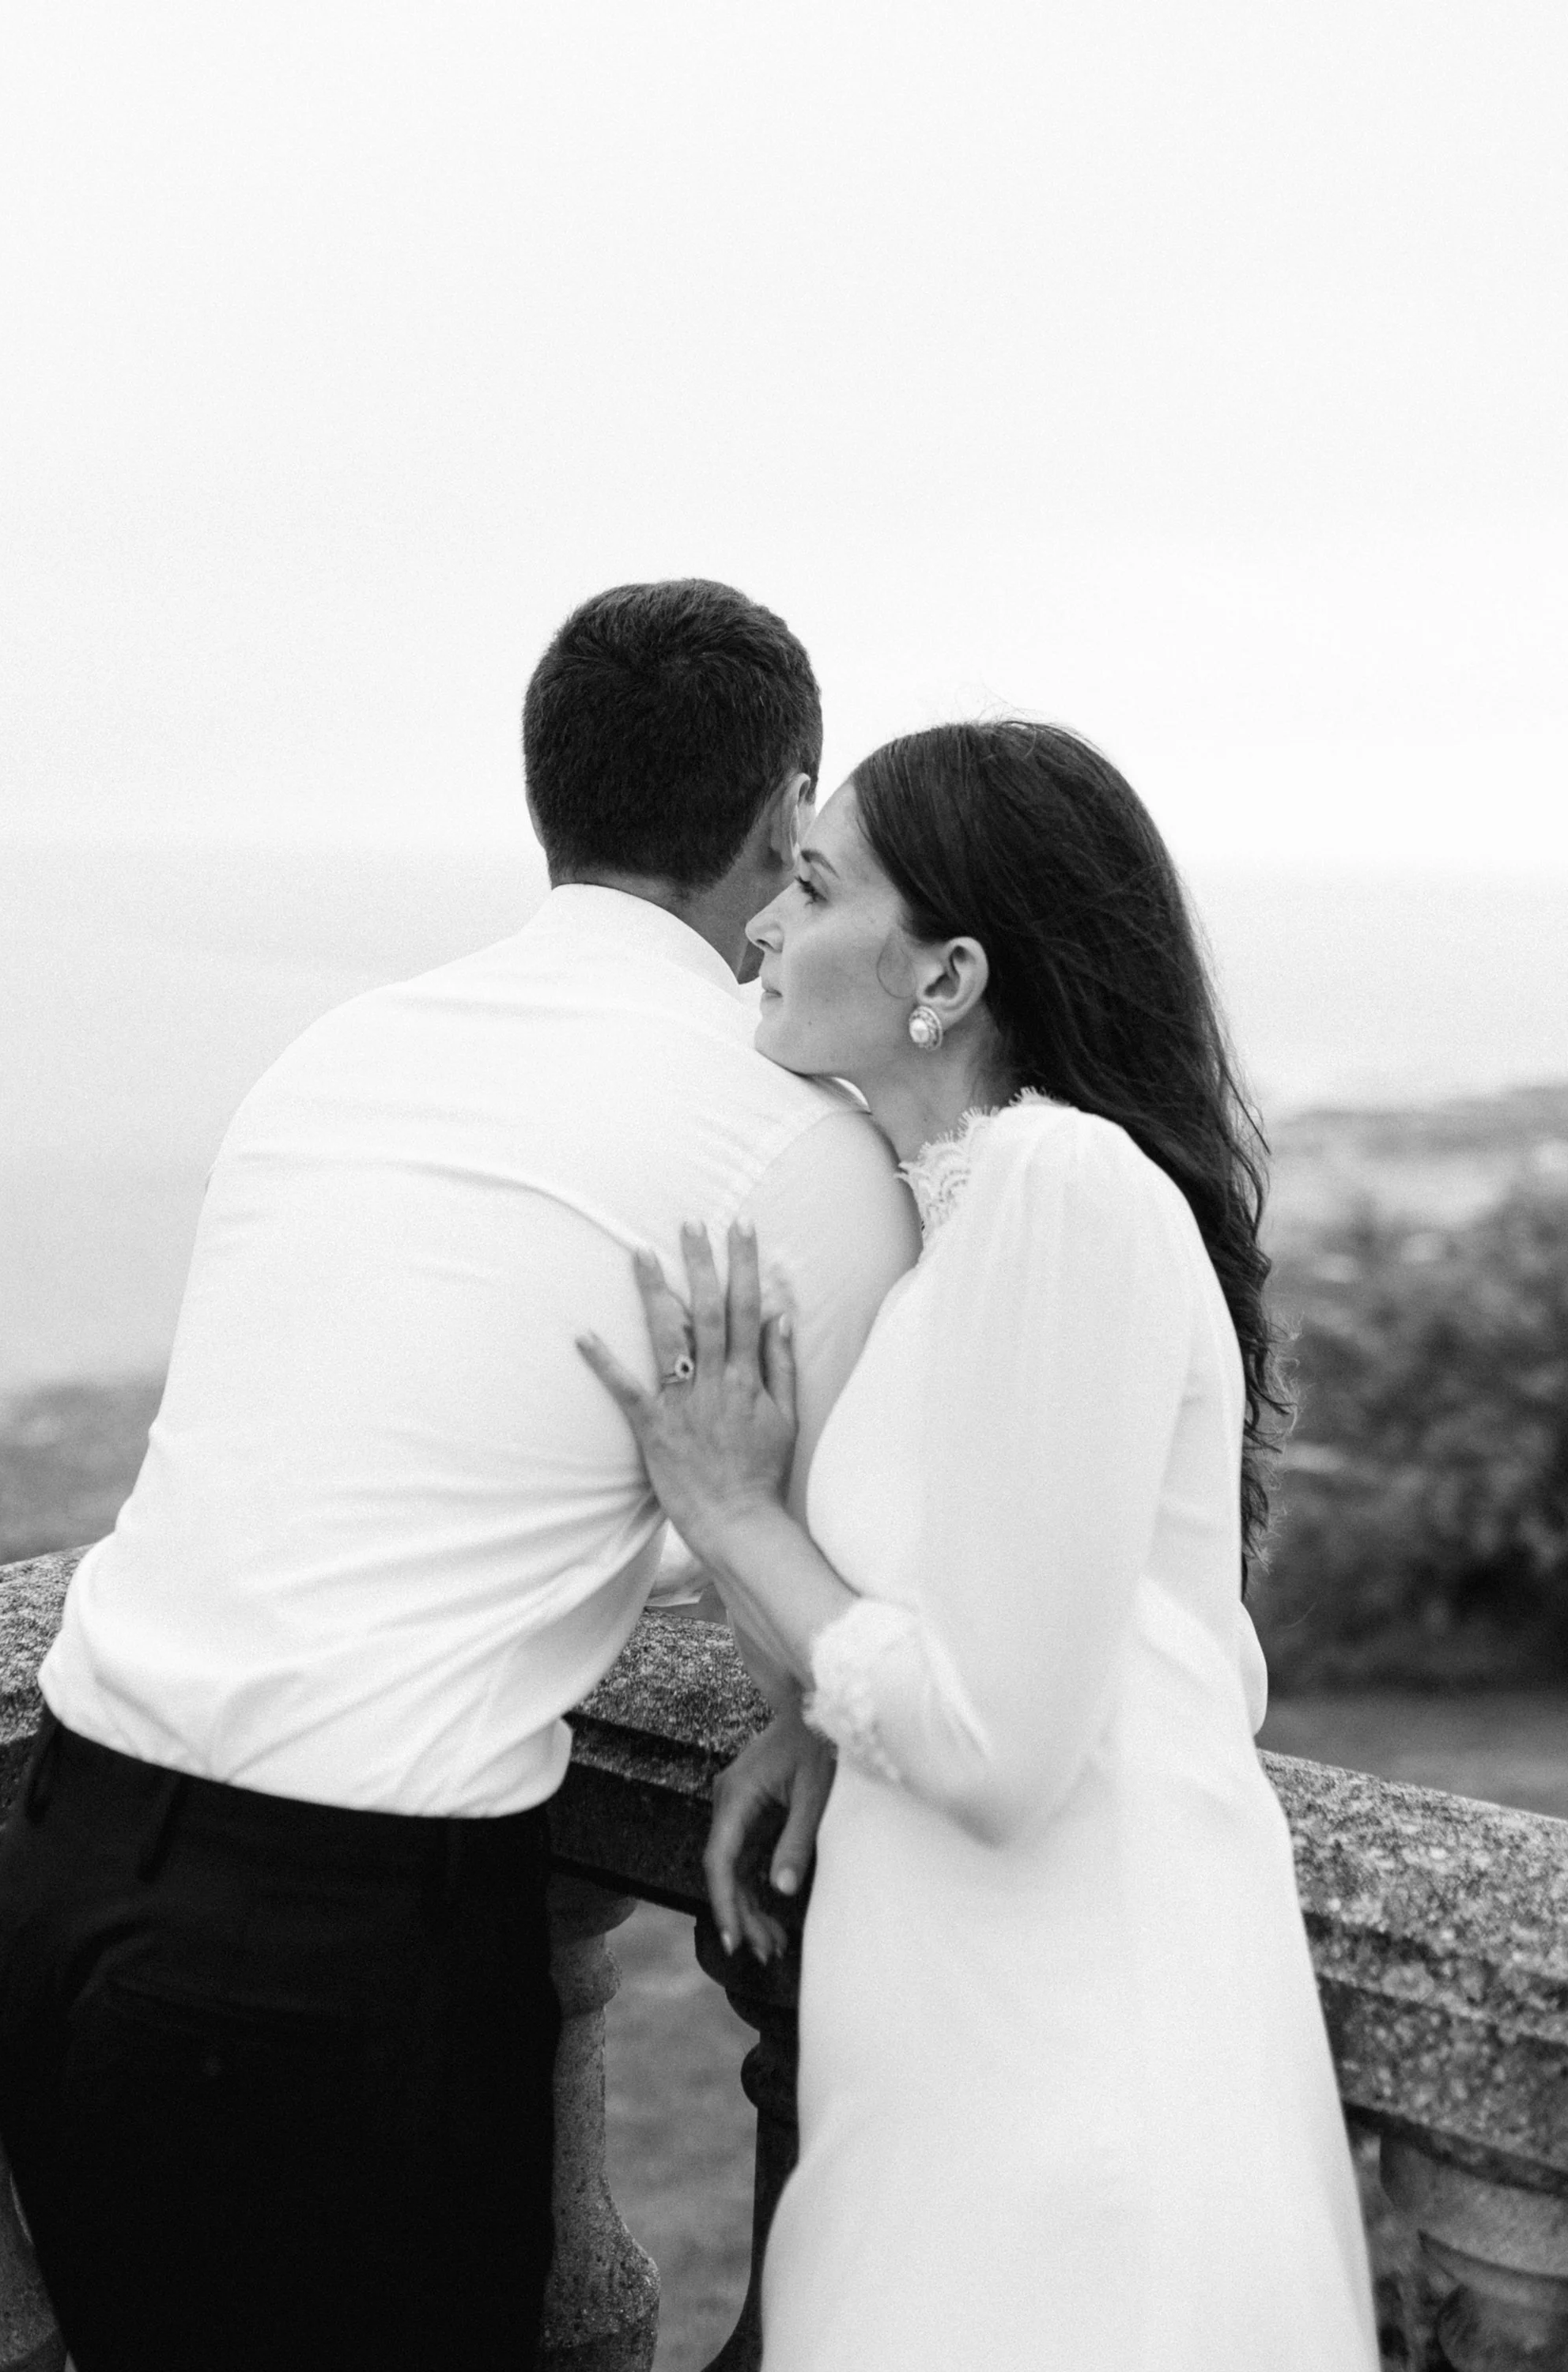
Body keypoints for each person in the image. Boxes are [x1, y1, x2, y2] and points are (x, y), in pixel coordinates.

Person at [0, 580, 920, 2372]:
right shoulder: (790, 1143)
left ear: (546, 795)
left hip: (69, 1861)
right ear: (786, 808)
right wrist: (801, 1708)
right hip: (341, 1948)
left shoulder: (343, 1045)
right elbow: (864, 1565)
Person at [580, 720, 1381, 2370]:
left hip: (1066, 2095)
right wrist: (819, 1706)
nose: (762, 924)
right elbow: (987, 1615)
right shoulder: (964, 1229)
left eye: (813, 888)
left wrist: (728, 1511)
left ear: (946, 979)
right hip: (959, 2069)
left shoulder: (1061, 1185)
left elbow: (1001, 1752)